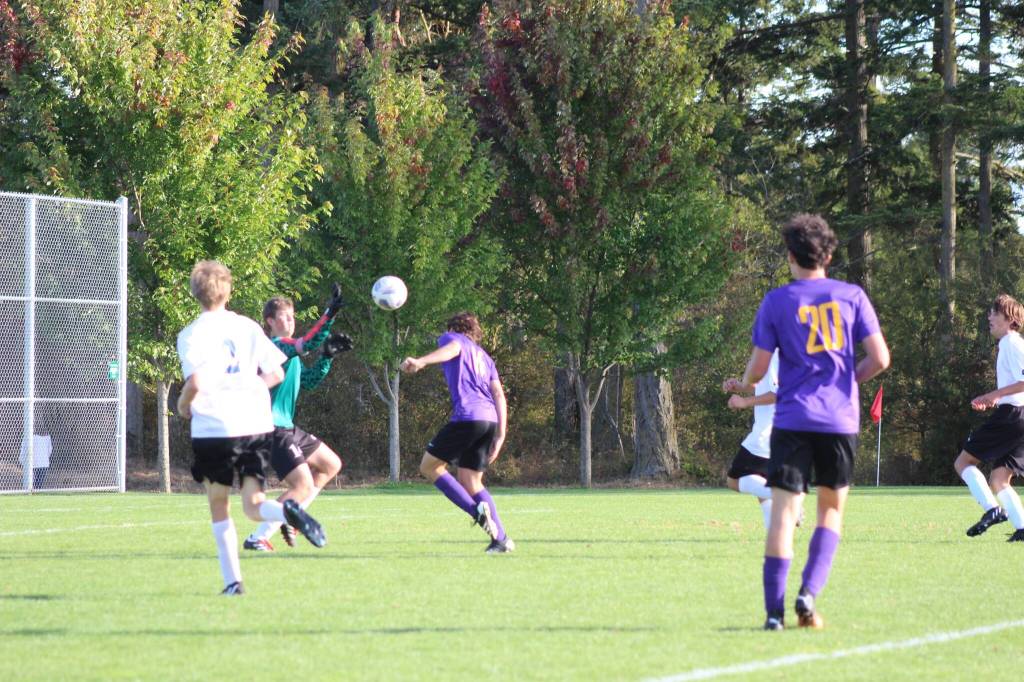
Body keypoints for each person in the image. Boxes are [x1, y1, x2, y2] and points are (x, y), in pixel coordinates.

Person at [739, 214, 889, 630]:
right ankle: (808, 594)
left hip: (792, 419)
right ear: (828, 254)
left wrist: (745, 380)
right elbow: (880, 359)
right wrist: (846, 380)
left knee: (784, 514)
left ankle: (773, 614)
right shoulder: (852, 296)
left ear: (791, 255)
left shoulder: (777, 301)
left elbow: (758, 368)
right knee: (830, 513)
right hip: (839, 421)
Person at [176, 260, 326, 596]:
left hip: (215, 428)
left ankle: (233, 582)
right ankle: (288, 510)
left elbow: (197, 380)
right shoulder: (247, 327)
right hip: (255, 424)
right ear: (229, 290)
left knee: (220, 506)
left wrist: (183, 406)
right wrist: (249, 386)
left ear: (194, 293)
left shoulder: (191, 334)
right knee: (254, 504)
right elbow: (277, 373)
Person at [243, 288, 352, 551]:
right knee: (302, 485)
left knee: (330, 465)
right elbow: (309, 342)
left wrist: (326, 357)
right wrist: (329, 315)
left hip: (286, 426)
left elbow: (310, 382)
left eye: (293, 317)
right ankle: (258, 537)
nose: (291, 321)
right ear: (270, 321)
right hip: (270, 428)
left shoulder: (287, 353)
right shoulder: (276, 347)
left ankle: (290, 517)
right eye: (285, 317)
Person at [400, 312, 514, 553]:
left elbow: (451, 349)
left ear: (455, 329)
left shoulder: (453, 339)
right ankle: (500, 539)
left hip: (468, 417)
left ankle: (477, 513)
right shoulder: (485, 357)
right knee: (470, 481)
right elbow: (498, 394)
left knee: (429, 467)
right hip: (489, 420)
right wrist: (501, 433)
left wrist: (421, 361)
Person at [952, 294, 1024, 542]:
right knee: (999, 478)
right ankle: (1023, 529)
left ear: (1010, 319)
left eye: (994, 313)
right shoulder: (1010, 344)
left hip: (1013, 415)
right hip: (1018, 416)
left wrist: (993, 395)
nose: (989, 317)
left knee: (963, 463)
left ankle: (993, 510)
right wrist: (995, 398)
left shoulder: (1012, 344)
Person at [723, 350, 781, 529]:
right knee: (758, 479)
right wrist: (740, 387)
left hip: (769, 432)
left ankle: (787, 498)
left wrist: (745, 402)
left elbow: (779, 393)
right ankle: (772, 532)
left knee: (734, 481)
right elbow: (764, 385)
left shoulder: (775, 352)